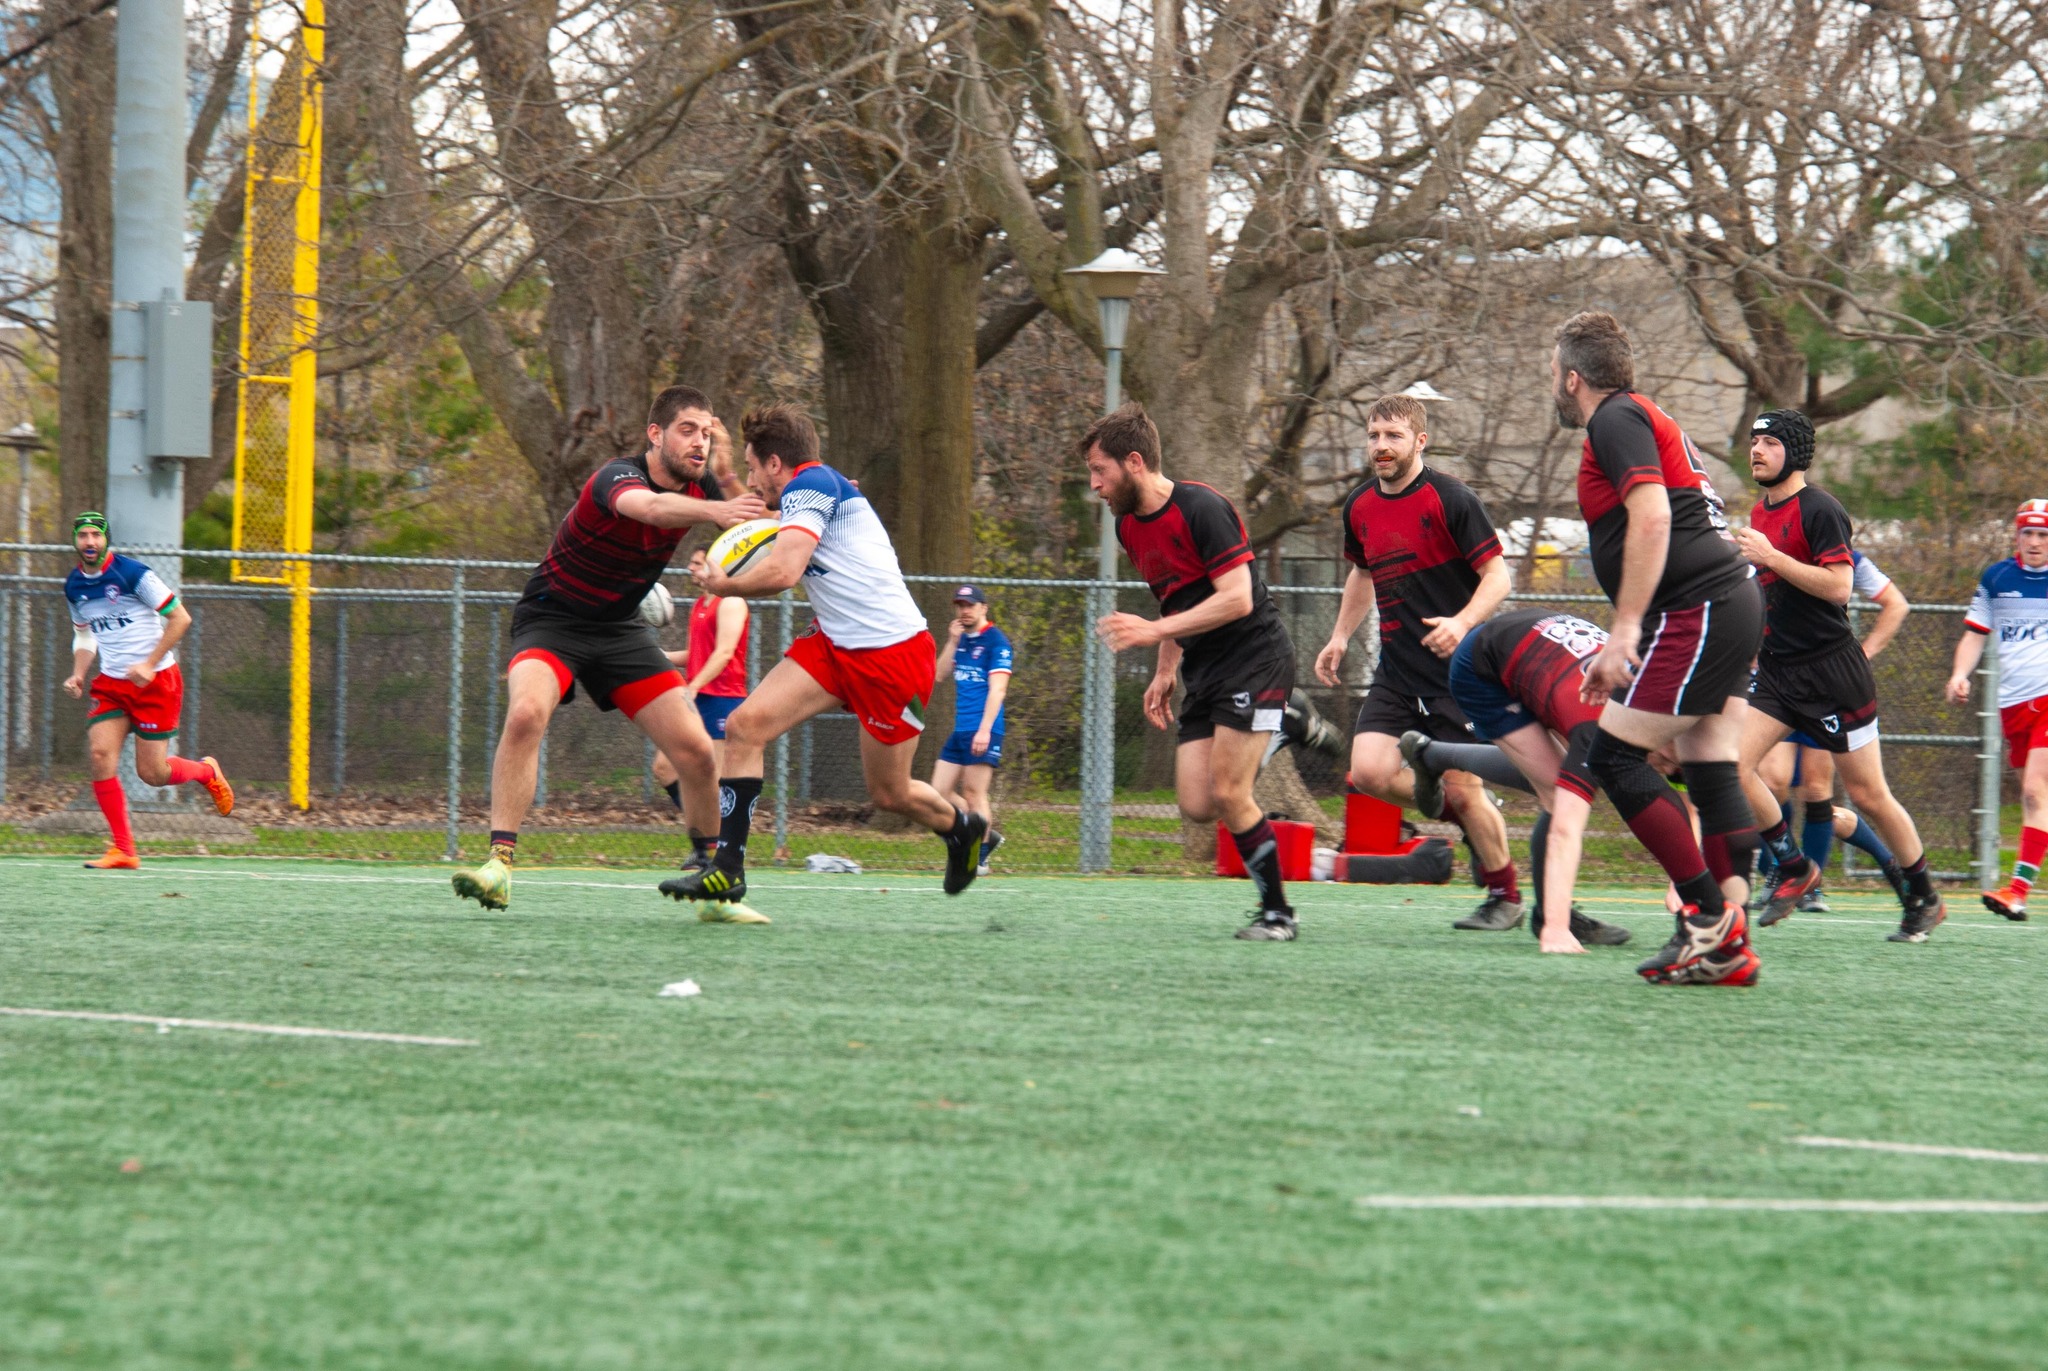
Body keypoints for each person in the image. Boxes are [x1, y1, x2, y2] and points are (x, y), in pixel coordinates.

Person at [662, 404, 988, 915]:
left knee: (890, 793)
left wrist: (726, 587)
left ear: (775, 464)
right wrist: (724, 478)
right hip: (836, 646)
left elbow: (784, 571)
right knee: (745, 727)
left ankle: (963, 828)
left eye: (752, 467)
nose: (750, 479)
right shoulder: (809, 490)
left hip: (892, 657)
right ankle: (726, 870)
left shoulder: (810, 487)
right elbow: (763, 520)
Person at [452, 386, 763, 913]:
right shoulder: (616, 478)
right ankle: (499, 865)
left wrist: (819, 492)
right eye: (688, 430)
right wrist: (716, 506)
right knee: (526, 713)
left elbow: (762, 513)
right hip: (552, 621)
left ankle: (713, 883)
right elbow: (654, 508)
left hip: (620, 630)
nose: (699, 442)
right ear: (656, 434)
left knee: (694, 751)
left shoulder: (707, 485)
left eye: (707, 433)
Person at [1552, 310, 1766, 986]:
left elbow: (1652, 516)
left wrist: (1624, 632)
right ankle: (1727, 941)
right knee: (1709, 765)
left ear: (1572, 377)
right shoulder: (1645, 414)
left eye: (1551, 375)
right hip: (1725, 601)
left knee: (1613, 754)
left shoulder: (1613, 419)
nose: (1552, 386)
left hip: (1698, 606)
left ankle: (1708, 920)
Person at [1085, 403, 1302, 941]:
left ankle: (1278, 914)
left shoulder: (1203, 507)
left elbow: (1236, 601)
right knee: (1197, 804)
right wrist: (1165, 670)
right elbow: (1173, 600)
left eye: (1100, 471)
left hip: (1256, 658)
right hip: (1205, 668)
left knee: (1230, 791)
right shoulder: (1128, 527)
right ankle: (1285, 726)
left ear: (1134, 462)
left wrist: (1155, 634)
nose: (1094, 485)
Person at [1731, 409, 1946, 942]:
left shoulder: (1821, 509)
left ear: (1795, 452)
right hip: (1779, 673)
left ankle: (1923, 894)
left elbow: (1838, 588)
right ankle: (1793, 865)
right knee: (1732, 768)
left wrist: (1772, 557)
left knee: (1869, 795)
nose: (1757, 450)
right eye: (1753, 441)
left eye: (1770, 442)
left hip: (1831, 675)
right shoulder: (1760, 514)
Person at [1313, 394, 1523, 931]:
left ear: (1420, 441)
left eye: (1394, 436)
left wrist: (1462, 622)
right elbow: (1362, 573)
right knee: (1369, 772)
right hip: (1399, 674)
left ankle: (1505, 896)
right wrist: (1340, 636)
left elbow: (1499, 577)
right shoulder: (1359, 505)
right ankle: (1476, 820)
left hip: (1459, 676)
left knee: (1462, 788)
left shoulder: (1451, 499)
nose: (1382, 446)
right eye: (1375, 435)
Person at [1427, 608, 1635, 951]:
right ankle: (1552, 917)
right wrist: (1555, 928)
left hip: (1535, 652)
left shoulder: (1653, 706)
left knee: (1564, 782)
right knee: (1561, 795)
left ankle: (1432, 754)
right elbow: (1566, 828)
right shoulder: (1598, 722)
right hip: (1486, 665)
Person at [61, 511, 235, 869]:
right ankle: (124, 849)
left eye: (96, 535)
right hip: (111, 684)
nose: (90, 542)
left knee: (152, 774)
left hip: (157, 682)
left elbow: (180, 618)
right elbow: (84, 634)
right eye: (84, 536)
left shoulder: (133, 574)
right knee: (99, 756)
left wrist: (148, 662)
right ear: (76, 541)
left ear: (107, 539)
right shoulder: (74, 586)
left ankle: (207, 772)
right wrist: (78, 673)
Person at [1753, 549, 1912, 908]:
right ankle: (1785, 868)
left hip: (1827, 685)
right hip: (1779, 681)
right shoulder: (1768, 554)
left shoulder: (1846, 558)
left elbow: (1896, 604)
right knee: (1772, 780)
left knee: (1817, 786)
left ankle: (1812, 888)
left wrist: (1865, 652)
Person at [1949, 499, 2048, 921]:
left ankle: (2019, 891)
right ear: (2017, 536)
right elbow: (1975, 634)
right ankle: (2020, 891)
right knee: (2036, 798)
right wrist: (1959, 674)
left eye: (2044, 535)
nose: (2036, 542)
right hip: (2013, 705)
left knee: (2033, 791)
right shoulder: (1997, 578)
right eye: (2029, 533)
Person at [650, 546, 751, 852]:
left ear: (718, 567)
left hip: (722, 699)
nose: (691, 568)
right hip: (699, 696)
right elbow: (696, 655)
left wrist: (693, 687)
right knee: (665, 768)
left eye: (699, 563)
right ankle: (707, 834)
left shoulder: (732, 601)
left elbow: (723, 653)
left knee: (715, 780)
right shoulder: (700, 605)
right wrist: (659, 657)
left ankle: (715, 850)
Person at [932, 584, 1012, 877]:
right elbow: (939, 675)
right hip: (961, 728)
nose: (964, 611)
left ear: (983, 608)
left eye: (970, 605)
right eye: (960, 605)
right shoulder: (962, 640)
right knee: (938, 792)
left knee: (974, 793)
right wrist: (952, 642)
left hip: (984, 729)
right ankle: (985, 833)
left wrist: (984, 731)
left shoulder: (996, 642)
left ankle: (980, 856)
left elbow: (998, 690)